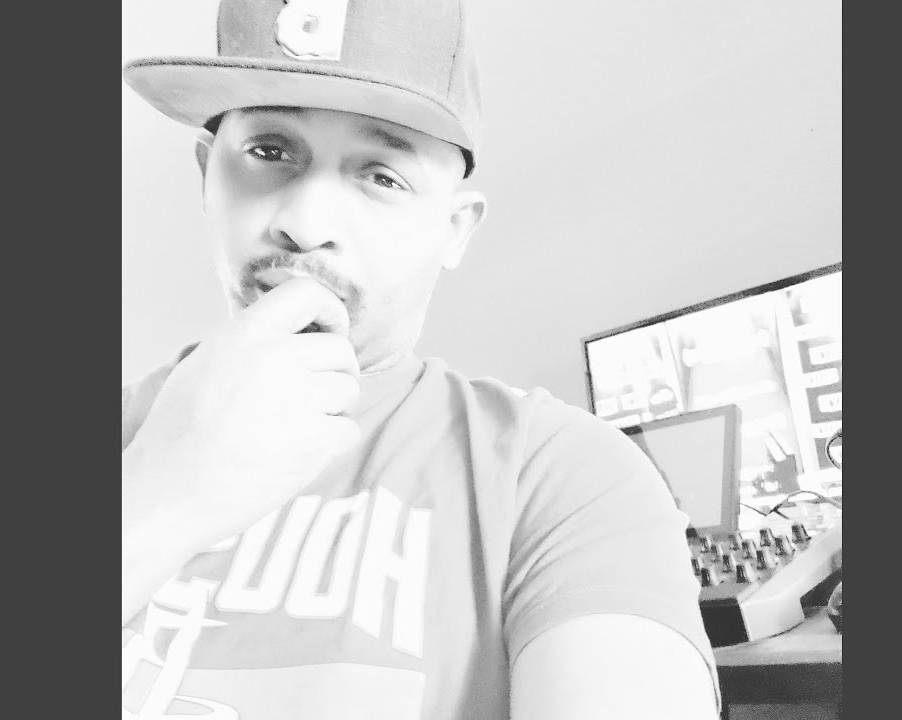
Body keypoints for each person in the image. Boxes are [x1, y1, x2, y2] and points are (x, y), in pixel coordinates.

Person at [121, 1, 721, 718]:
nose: (305, 225)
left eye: (383, 176)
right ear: (205, 176)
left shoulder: (561, 478)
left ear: (455, 229)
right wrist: (158, 504)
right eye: (270, 152)